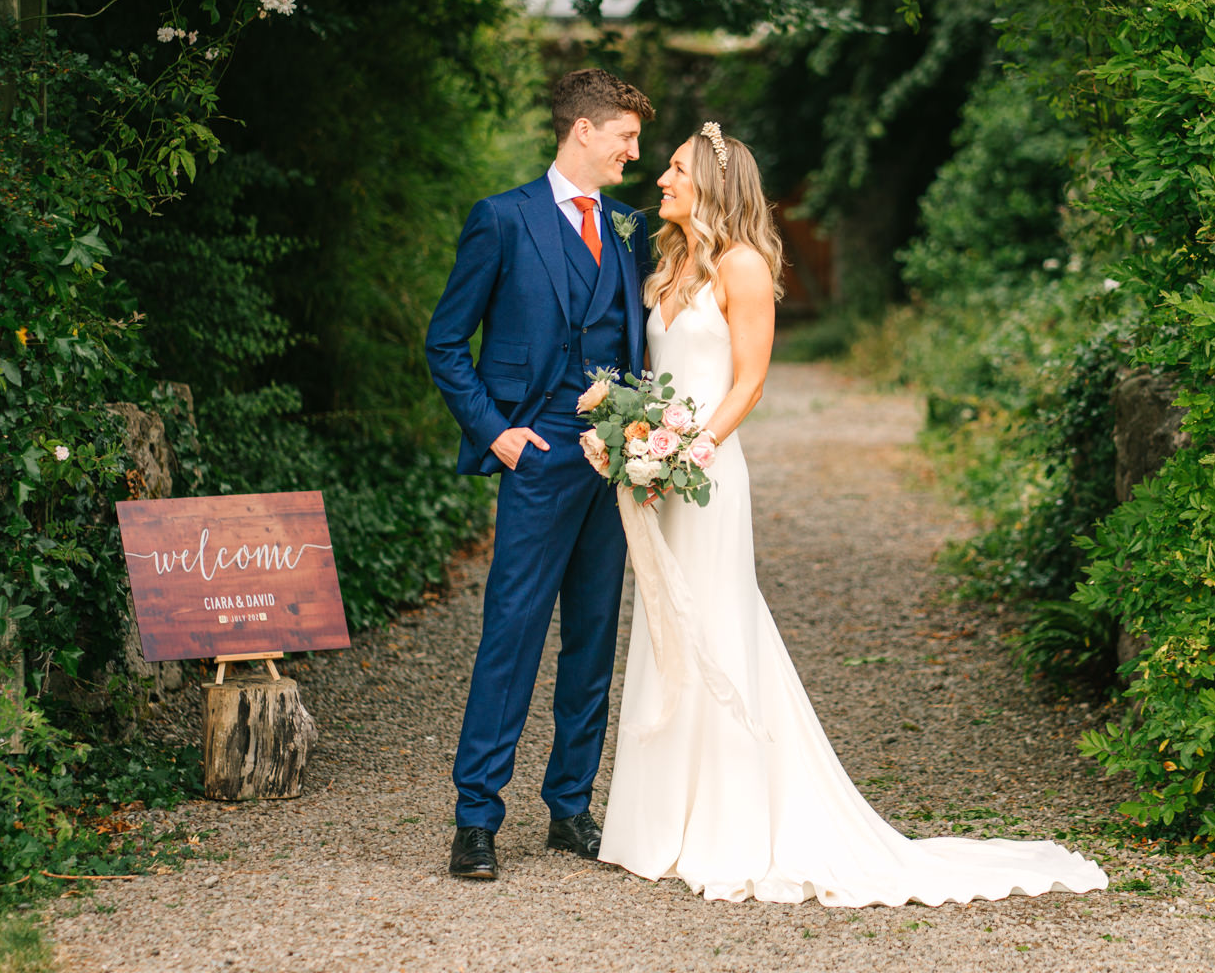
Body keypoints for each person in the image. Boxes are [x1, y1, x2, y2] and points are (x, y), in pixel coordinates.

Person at [597, 123, 1108, 906]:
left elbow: (749, 385)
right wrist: (637, 441)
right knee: (667, 622)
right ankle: (660, 823)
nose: (660, 178)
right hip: (657, 475)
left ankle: (731, 824)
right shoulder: (667, 264)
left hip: (703, 474)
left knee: (720, 623)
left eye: (673, 169)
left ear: (711, 184)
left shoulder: (741, 264)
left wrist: (683, 453)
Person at [425, 70, 654, 880]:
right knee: (513, 632)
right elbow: (446, 345)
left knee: (593, 637)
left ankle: (570, 808)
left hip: (616, 458)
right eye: (625, 136)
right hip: (541, 450)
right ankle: (476, 818)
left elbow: (638, 341)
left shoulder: (628, 226)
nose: (635, 151)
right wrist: (500, 434)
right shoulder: (502, 219)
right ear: (584, 132)